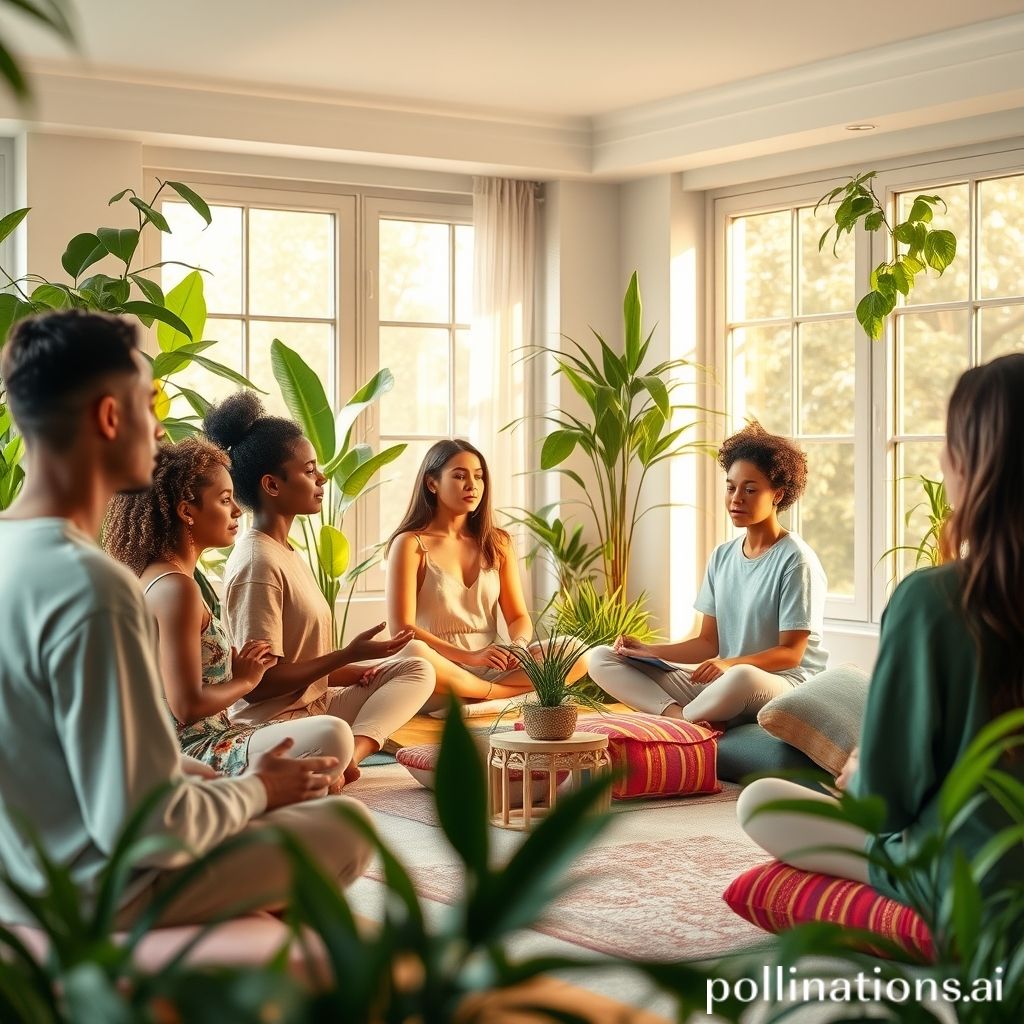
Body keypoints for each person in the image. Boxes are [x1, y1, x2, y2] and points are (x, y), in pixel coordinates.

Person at [0, 311, 371, 928]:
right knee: (346, 827)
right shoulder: (92, 586)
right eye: (149, 405)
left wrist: (211, 780)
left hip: (18, 877)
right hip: (91, 893)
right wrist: (258, 791)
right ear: (109, 417)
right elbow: (146, 827)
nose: (158, 425)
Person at [738, 354, 1024, 908]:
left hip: (974, 874)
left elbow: (885, 804)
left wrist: (863, 769)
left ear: (977, 460)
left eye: (949, 439)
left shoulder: (936, 600)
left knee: (761, 803)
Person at [205, 392, 433, 781]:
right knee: (333, 732)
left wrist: (362, 666)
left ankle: (351, 759)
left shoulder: (285, 551)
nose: (322, 478)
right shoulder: (257, 562)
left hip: (318, 706)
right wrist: (344, 655)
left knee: (414, 669)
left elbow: (304, 664)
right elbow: (258, 688)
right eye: (309, 470)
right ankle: (336, 756)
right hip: (272, 725)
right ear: (272, 485)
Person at [105, 437, 356, 789]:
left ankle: (293, 785)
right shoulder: (177, 589)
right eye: (224, 500)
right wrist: (246, 681)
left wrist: (232, 670)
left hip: (203, 741)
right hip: (192, 755)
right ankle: (271, 790)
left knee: (327, 748)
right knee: (334, 734)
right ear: (186, 511)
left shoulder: (155, 577)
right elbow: (187, 706)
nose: (237, 510)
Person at [588, 422, 828, 726]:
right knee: (602, 657)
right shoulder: (722, 556)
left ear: (777, 495)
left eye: (750, 489)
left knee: (742, 677)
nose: (736, 498)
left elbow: (791, 654)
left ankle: (685, 720)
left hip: (780, 685)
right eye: (731, 487)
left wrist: (728, 664)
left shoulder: (797, 560)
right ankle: (681, 718)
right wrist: (649, 649)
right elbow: (706, 643)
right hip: (725, 681)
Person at [384, 438, 586, 705]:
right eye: (459, 476)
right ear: (432, 483)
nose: (472, 485)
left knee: (576, 651)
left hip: (494, 668)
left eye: (478, 477)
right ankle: (501, 697)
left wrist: (519, 646)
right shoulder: (410, 544)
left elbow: (517, 617)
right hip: (440, 671)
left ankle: (481, 695)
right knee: (413, 650)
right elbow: (401, 630)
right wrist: (470, 657)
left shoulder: (498, 542)